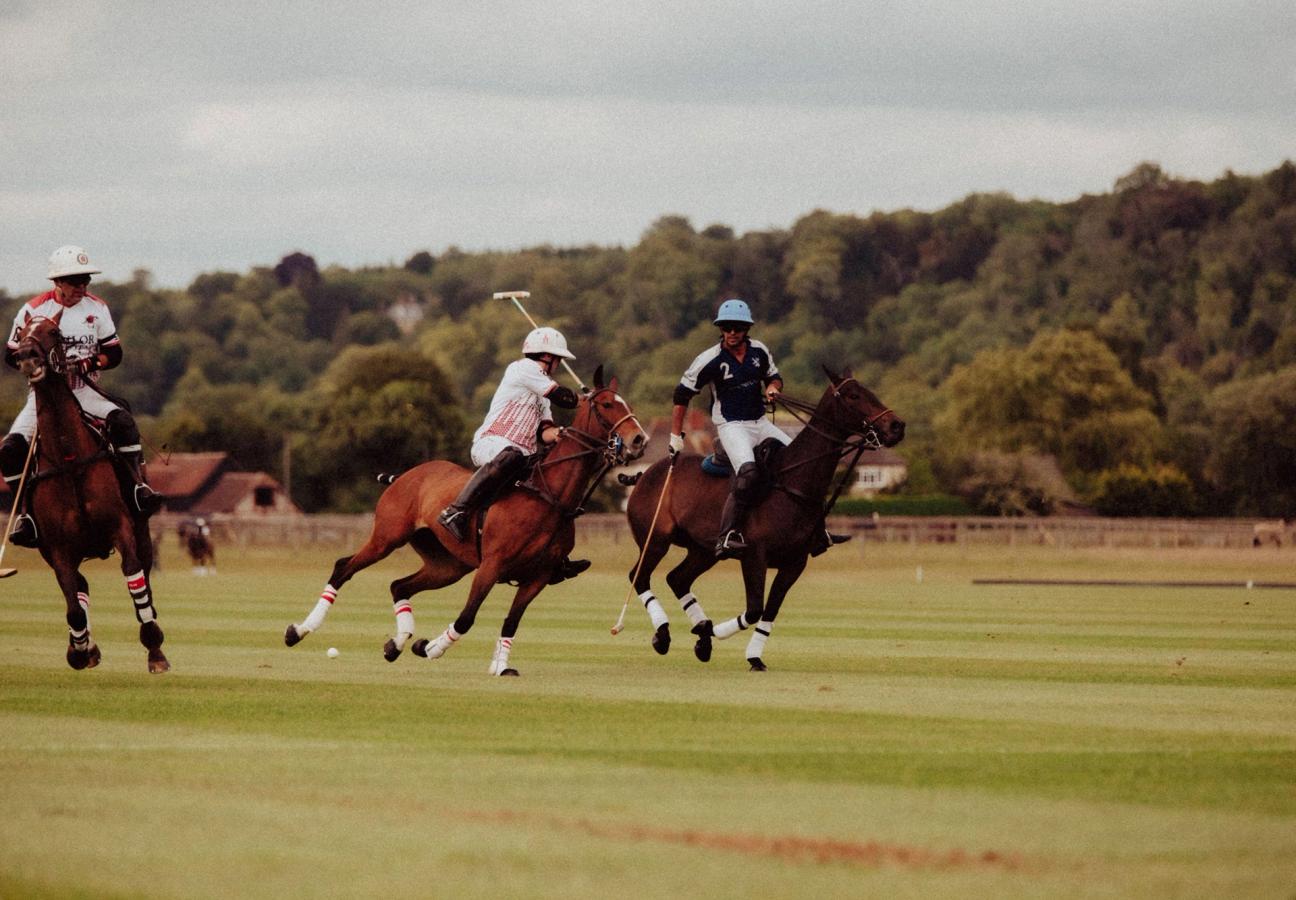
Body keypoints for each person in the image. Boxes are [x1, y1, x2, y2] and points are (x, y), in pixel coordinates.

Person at [0, 246, 162, 548]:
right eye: (75, 281)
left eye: (85, 280)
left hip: (84, 391)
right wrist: (36, 365)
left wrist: (90, 362)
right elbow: (10, 354)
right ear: (57, 282)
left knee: (123, 421)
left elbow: (114, 352)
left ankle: (138, 490)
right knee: (9, 450)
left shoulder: (97, 308)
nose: (82, 287)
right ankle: (27, 514)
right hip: (43, 396)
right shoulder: (32, 310)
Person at [670, 298, 846, 558]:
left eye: (737, 328)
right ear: (721, 328)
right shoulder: (709, 359)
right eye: (727, 327)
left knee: (805, 464)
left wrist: (774, 388)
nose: (732, 332)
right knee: (749, 473)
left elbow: (773, 377)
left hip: (760, 422)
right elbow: (681, 394)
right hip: (732, 425)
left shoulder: (759, 351)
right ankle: (727, 535)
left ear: (746, 329)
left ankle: (817, 532)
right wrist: (676, 435)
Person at [437, 326, 590, 582]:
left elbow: (545, 431)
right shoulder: (522, 369)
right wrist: (586, 400)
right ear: (548, 357)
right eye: (559, 359)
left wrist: (559, 434)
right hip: (492, 444)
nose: (559, 364)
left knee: (552, 485)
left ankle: (553, 556)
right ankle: (455, 511)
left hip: (523, 454)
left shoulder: (542, 397)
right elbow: (563, 396)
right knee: (513, 455)